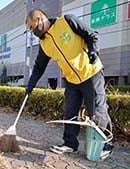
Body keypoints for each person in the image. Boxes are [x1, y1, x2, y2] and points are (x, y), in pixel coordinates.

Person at [25, 9, 113, 160]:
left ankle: (106, 144)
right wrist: (30, 85)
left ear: (40, 19)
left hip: (90, 72)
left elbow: (91, 34)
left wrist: (93, 51)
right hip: (71, 79)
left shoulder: (67, 21)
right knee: (71, 112)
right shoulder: (44, 44)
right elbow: (39, 67)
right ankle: (70, 144)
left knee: (98, 110)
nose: (32, 32)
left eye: (32, 27)